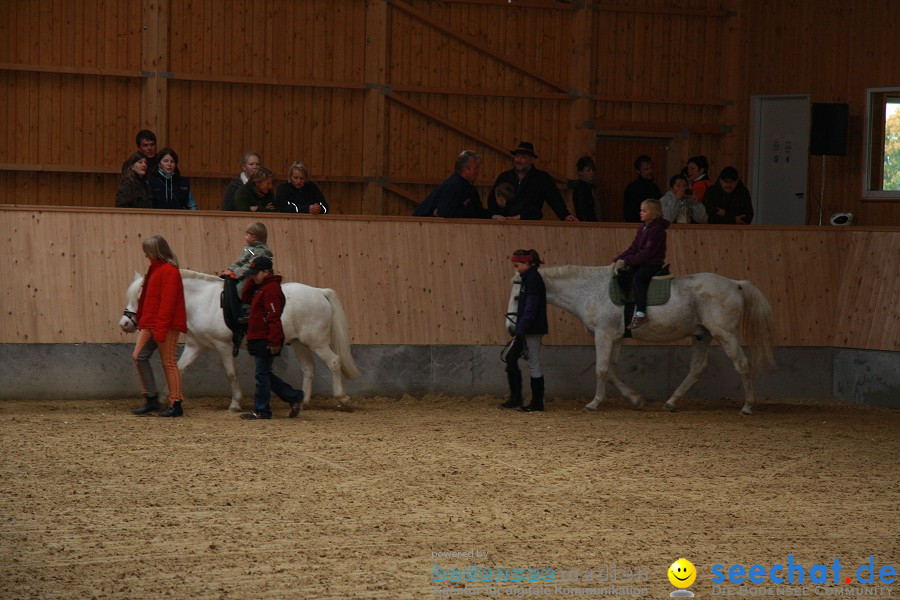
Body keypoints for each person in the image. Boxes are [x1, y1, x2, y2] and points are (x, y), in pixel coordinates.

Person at [239, 256, 304, 420]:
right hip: (260, 337)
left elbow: (274, 317)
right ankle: (293, 396)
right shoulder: (261, 288)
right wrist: (253, 280)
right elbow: (245, 297)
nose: (253, 276)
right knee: (264, 374)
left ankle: (262, 410)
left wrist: (274, 341)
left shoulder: (271, 289)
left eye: (256, 273)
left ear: (266, 272)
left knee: (261, 375)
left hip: (266, 338)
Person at [130, 235, 188, 417]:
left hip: (165, 325)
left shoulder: (169, 271)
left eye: (147, 251)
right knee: (139, 357)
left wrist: (161, 328)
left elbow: (168, 303)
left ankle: (176, 402)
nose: (145, 254)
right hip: (151, 323)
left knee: (169, 363)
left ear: (155, 251)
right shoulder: (154, 269)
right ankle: (151, 398)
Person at [500, 249, 548, 413]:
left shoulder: (533, 280)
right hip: (526, 327)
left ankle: (537, 402)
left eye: (518, 265)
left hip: (532, 329)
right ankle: (516, 398)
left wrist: (521, 328)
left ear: (527, 263)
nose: (516, 268)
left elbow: (531, 308)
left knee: (534, 362)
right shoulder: (527, 280)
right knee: (511, 357)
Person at [611, 199, 669, 330]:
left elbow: (647, 253)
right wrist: (618, 259)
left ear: (653, 213)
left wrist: (627, 261)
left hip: (652, 263)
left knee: (638, 278)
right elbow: (634, 247)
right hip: (641, 260)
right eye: (641, 210)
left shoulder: (657, 230)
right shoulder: (642, 227)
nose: (640, 213)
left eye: (644, 210)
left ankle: (641, 313)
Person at [488, 142, 576, 221]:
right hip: (505, 224)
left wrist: (565, 215)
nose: (519, 160)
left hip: (530, 225)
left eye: (523, 157)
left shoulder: (542, 178)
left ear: (531, 159)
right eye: (517, 156)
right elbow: (492, 199)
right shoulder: (504, 177)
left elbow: (555, 199)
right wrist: (495, 215)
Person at [220, 222, 274, 331]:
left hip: (256, 274)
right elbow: (240, 262)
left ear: (253, 237)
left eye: (247, 235)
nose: (245, 237)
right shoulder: (249, 248)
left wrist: (236, 273)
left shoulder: (260, 251)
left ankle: (248, 309)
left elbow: (250, 265)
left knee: (242, 287)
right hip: (248, 272)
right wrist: (230, 269)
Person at [413, 150, 487, 218]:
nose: (478, 171)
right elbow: (445, 212)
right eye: (476, 168)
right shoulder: (455, 186)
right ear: (465, 170)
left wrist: (492, 215)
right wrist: (466, 208)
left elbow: (478, 211)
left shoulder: (469, 187)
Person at [623, 155, 662, 222]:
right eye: (646, 169)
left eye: (651, 168)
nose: (650, 171)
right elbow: (629, 212)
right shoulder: (632, 189)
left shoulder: (655, 188)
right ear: (638, 171)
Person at [572, 155, 600, 222]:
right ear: (580, 172)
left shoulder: (591, 187)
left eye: (592, 170)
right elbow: (582, 212)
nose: (592, 173)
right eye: (588, 170)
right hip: (588, 224)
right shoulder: (580, 189)